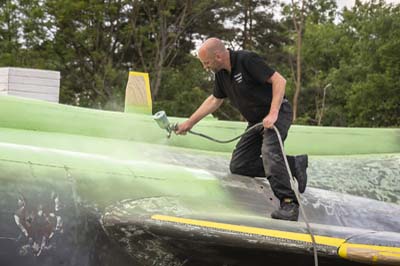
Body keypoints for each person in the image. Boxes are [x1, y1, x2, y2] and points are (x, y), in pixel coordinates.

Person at [176, 38, 308, 221]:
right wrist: (189, 123)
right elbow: (214, 100)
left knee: (270, 152)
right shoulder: (221, 74)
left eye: (206, 63)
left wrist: (273, 113)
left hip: (276, 114)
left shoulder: (247, 60)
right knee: (239, 165)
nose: (205, 67)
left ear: (218, 56)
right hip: (255, 122)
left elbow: (280, 81)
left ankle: (289, 203)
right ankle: (294, 164)